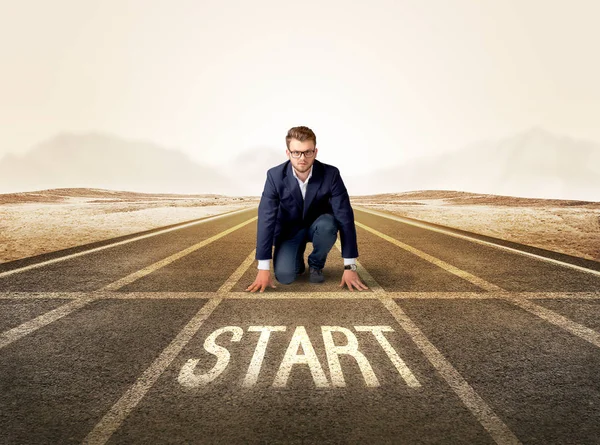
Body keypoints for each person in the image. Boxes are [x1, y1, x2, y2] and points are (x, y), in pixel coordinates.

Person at [246, 125, 369, 293]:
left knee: (328, 224)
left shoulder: (331, 174)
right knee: (285, 276)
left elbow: (345, 217)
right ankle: (296, 260)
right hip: (289, 232)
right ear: (288, 153)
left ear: (315, 152)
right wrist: (263, 268)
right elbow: (266, 219)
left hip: (318, 227)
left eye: (307, 152)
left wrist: (350, 267)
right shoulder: (274, 176)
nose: (302, 158)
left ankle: (316, 265)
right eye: (296, 152)